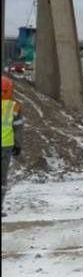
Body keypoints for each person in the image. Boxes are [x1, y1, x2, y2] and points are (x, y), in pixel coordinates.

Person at [1, 75, 24, 209]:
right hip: (6, 146)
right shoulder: (14, 106)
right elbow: (18, 128)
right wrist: (18, 145)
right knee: (2, 178)